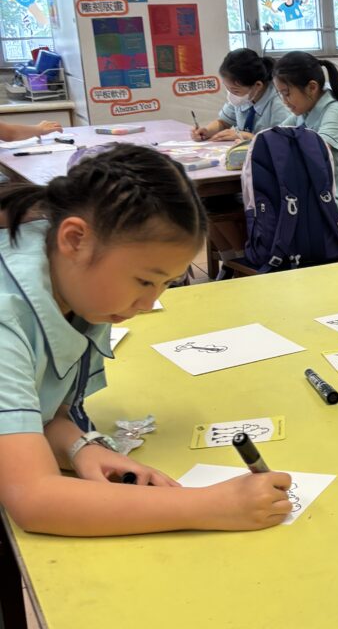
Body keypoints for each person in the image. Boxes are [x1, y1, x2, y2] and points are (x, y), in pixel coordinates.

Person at [0, 144, 292, 535]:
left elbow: (39, 410)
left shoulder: (79, 281)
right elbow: (34, 499)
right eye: (143, 281)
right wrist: (210, 505)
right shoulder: (8, 314)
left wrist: (79, 447)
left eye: (166, 283)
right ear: (75, 239)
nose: (148, 303)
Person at [274, 52, 338, 223]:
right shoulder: (305, 111)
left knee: (276, 212)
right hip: (321, 191)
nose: (284, 101)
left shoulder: (334, 112)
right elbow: (275, 135)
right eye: (280, 94)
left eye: (287, 93)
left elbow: (315, 151)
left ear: (312, 87)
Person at [191, 49, 290, 143]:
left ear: (257, 85)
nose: (231, 95)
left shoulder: (280, 103)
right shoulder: (243, 97)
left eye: (235, 90)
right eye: (227, 89)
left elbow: (283, 141)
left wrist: (248, 136)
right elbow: (224, 122)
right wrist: (206, 131)